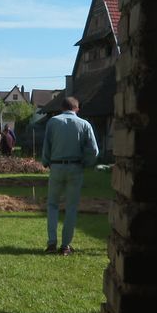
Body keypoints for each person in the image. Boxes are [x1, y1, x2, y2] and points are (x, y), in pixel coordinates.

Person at [42, 96, 99, 256]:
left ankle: (52, 243)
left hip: (57, 165)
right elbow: (94, 150)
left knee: (52, 205)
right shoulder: (84, 124)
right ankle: (66, 246)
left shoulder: (53, 122)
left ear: (62, 108)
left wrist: (46, 161)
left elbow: (47, 144)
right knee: (71, 208)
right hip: (75, 166)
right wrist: (85, 162)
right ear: (77, 108)